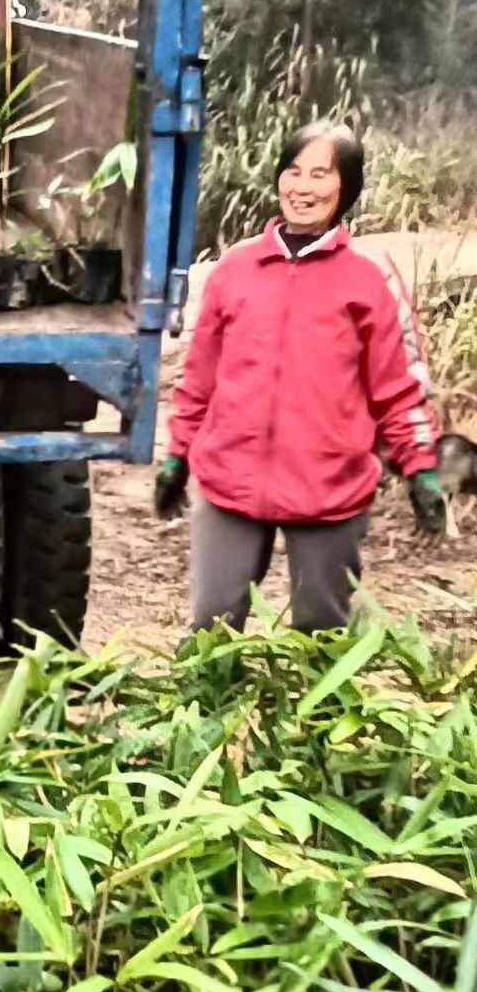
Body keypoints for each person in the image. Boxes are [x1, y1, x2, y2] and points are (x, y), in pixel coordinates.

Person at [155, 120, 444, 634]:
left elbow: (400, 390)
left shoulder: (369, 278)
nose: (303, 187)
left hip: (329, 489)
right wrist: (177, 456)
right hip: (231, 480)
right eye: (293, 171)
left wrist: (420, 470)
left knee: (320, 639)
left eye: (320, 174)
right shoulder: (236, 269)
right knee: (210, 633)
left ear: (347, 188)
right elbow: (198, 378)